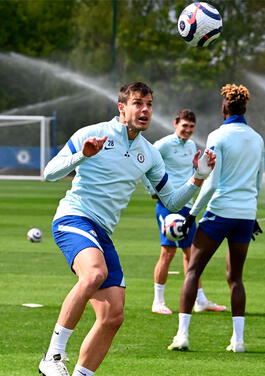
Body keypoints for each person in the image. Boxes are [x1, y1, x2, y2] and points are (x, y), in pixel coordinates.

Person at [38, 82, 215, 376]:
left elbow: (171, 201)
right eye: (137, 103)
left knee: (113, 316)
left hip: (102, 232)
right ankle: (53, 357)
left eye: (149, 104)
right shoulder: (91, 134)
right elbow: (48, 174)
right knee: (95, 274)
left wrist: (197, 178)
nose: (145, 110)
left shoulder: (149, 153)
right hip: (74, 218)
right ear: (122, 108)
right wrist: (83, 155)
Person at [167, 84, 264, 353]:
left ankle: (182, 336)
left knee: (193, 271)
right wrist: (252, 215)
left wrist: (190, 214)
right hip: (245, 215)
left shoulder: (217, 136)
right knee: (236, 278)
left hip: (220, 212)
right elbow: (258, 182)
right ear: (245, 107)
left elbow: (211, 183)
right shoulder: (257, 138)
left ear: (224, 108)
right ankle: (239, 341)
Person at [142, 109, 226, 315]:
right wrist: (152, 190)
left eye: (191, 127)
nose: (188, 130)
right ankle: (158, 301)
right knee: (168, 252)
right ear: (175, 124)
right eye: (184, 126)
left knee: (191, 254)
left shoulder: (191, 146)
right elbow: (143, 166)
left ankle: (200, 300)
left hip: (187, 206)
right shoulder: (163, 144)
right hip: (168, 205)